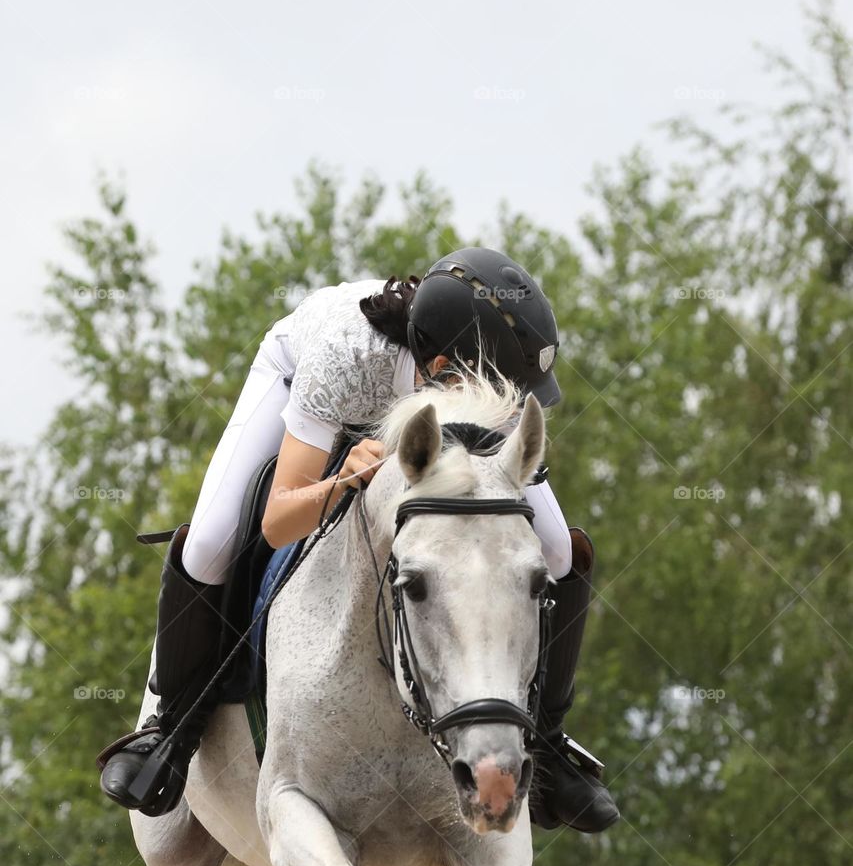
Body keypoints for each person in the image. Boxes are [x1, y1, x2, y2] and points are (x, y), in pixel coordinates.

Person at [97, 248, 619, 834]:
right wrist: (344, 479)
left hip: (421, 405)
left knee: (558, 551)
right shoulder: (349, 358)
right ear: (444, 365)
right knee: (213, 540)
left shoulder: (484, 385)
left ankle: (545, 740)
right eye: (496, 386)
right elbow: (279, 521)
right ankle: (172, 727)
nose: (503, 402)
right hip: (303, 378)